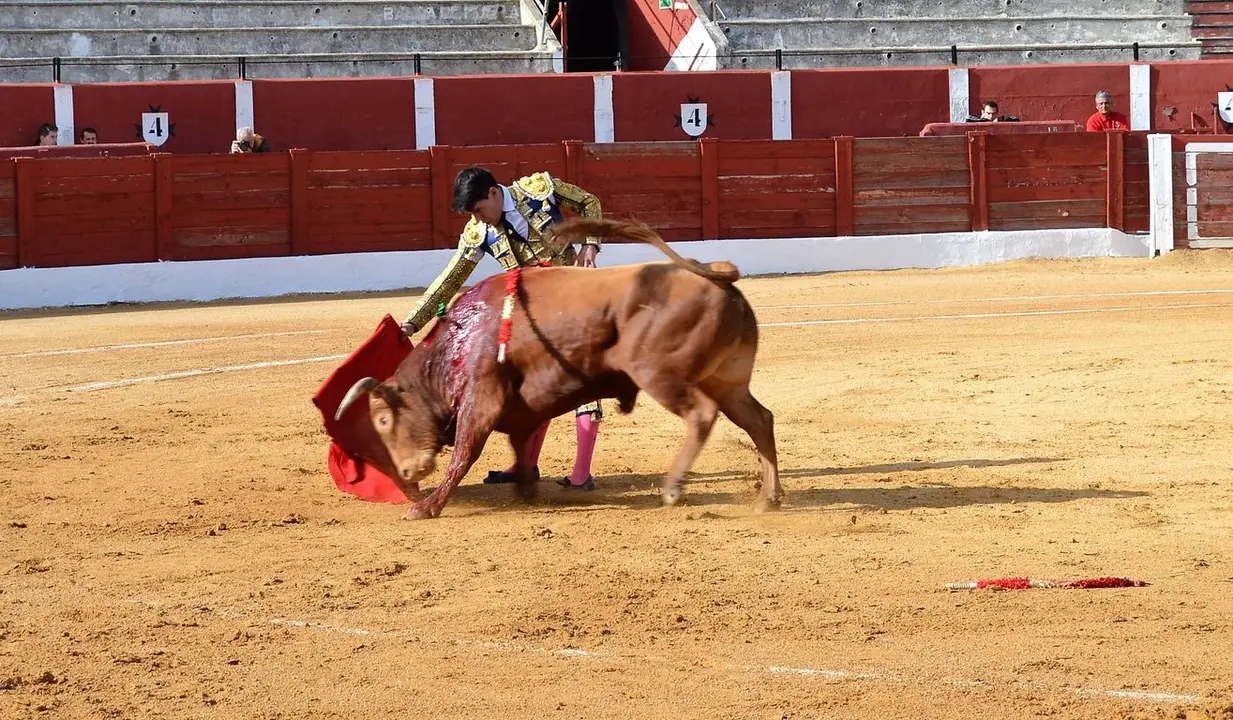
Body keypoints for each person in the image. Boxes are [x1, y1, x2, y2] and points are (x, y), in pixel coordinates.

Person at [399, 166, 605, 490]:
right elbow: (450, 278)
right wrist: (413, 321)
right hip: (531, 313)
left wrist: (590, 244)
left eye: (479, 211)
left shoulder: (539, 191)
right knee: (531, 388)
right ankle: (526, 465)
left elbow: (589, 203)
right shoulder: (478, 232)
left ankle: (582, 474)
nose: (478, 220)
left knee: (581, 381)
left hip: (572, 299)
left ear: (494, 193)